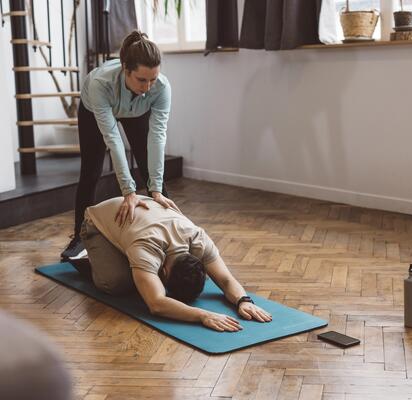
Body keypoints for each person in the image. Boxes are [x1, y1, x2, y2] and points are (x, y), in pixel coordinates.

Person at [74, 196, 272, 332]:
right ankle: (87, 255)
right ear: (165, 271)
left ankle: (133, 262)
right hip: (99, 221)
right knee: (117, 284)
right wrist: (203, 315)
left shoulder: (198, 240)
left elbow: (226, 279)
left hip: (140, 220)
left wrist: (243, 300)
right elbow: (157, 304)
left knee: (140, 278)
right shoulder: (147, 247)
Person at [61, 30, 177, 260]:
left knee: (149, 168)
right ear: (126, 69)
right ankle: (79, 237)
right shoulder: (100, 84)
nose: (147, 87)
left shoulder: (161, 88)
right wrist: (129, 191)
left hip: (135, 110)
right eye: (141, 79)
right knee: (91, 171)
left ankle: (171, 231)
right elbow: (112, 139)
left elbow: (158, 137)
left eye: (152, 79)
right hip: (95, 108)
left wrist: (155, 189)